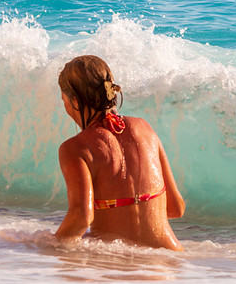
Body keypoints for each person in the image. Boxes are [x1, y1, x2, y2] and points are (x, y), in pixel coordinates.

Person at [56, 55, 186, 251]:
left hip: (122, 266)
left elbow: (82, 217)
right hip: (170, 263)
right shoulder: (144, 128)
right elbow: (176, 208)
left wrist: (44, 245)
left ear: (74, 101)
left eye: (63, 99)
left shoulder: (75, 148)